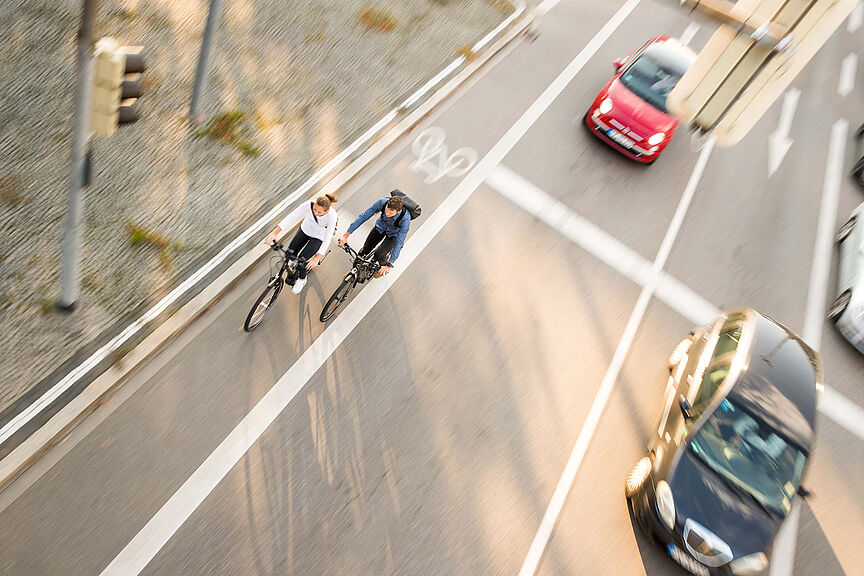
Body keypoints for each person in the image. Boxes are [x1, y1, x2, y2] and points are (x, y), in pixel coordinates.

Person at [264, 193, 338, 294]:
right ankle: (285, 270)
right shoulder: (309, 204)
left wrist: (317, 258)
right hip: (305, 230)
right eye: (314, 209)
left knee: (302, 263)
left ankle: (302, 279)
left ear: (327, 211)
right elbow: (292, 216)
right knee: (289, 254)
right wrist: (274, 233)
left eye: (319, 212)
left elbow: (328, 237)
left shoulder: (332, 216)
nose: (315, 213)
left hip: (319, 237)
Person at [338, 195, 409, 278]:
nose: (387, 214)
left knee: (379, 254)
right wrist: (345, 236)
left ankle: (382, 266)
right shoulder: (382, 202)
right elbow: (363, 217)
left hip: (393, 235)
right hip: (380, 227)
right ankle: (354, 271)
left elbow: (399, 243)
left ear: (398, 211)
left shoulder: (405, 219)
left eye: (391, 213)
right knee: (364, 250)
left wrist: (389, 265)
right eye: (386, 210)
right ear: (387, 204)